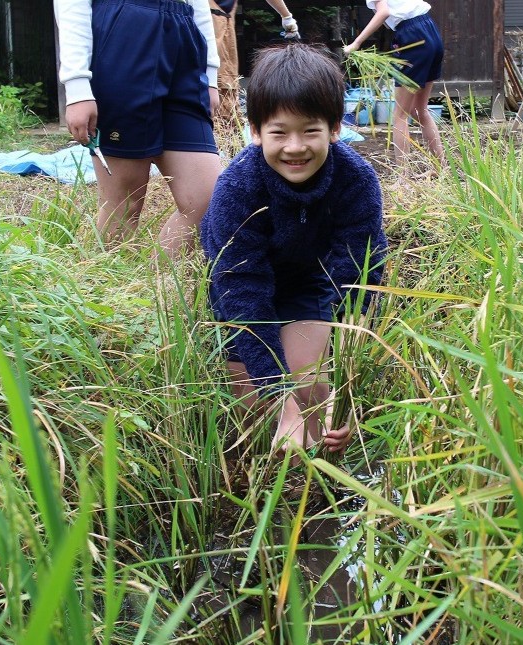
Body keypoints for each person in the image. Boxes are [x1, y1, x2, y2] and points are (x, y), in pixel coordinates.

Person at [200, 43, 388, 457]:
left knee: (314, 398)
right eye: (279, 132)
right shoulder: (238, 187)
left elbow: (358, 276)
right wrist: (280, 401)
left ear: (335, 128)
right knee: (257, 415)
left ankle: (319, 468)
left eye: (310, 131)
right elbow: (241, 289)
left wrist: (344, 390)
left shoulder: (356, 180)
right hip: (239, 289)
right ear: (255, 131)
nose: (295, 147)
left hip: (306, 279)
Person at [54, 0, 223, 257]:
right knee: (124, 204)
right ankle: (113, 280)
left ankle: (158, 279)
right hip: (123, 33)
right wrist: (76, 85)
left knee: (209, 199)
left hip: (184, 40)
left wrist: (210, 74)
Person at [343, 0, 446, 169]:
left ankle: (403, 177)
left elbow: (383, 13)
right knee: (419, 110)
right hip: (429, 29)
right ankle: (441, 168)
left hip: (413, 36)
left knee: (400, 114)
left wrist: (356, 43)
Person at [209, 0, 301, 128]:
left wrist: (287, 17)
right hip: (214, 26)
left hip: (223, 23)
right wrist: (287, 17)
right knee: (221, 96)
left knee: (226, 93)